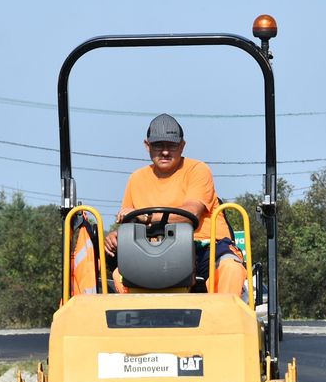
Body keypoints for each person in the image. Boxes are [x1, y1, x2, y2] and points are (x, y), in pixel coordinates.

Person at [103, 114, 247, 297]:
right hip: (156, 251)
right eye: (158, 145)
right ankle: (138, 322)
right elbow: (131, 222)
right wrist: (116, 235)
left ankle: (226, 322)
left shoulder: (198, 170)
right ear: (147, 145)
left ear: (182, 146)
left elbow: (190, 213)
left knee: (230, 268)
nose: (164, 152)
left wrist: (147, 217)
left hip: (204, 247)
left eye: (171, 145)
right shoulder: (136, 179)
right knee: (119, 274)